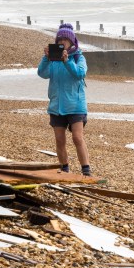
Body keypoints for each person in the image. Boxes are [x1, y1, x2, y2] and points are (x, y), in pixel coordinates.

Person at [37, 23, 91, 176]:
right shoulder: (53, 59)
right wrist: (46, 58)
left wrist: (67, 62)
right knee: (60, 139)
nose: (62, 42)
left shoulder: (79, 57)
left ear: (72, 42)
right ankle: (64, 169)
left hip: (76, 105)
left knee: (77, 137)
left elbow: (80, 73)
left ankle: (86, 170)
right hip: (56, 105)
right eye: (59, 39)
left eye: (65, 40)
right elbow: (42, 73)